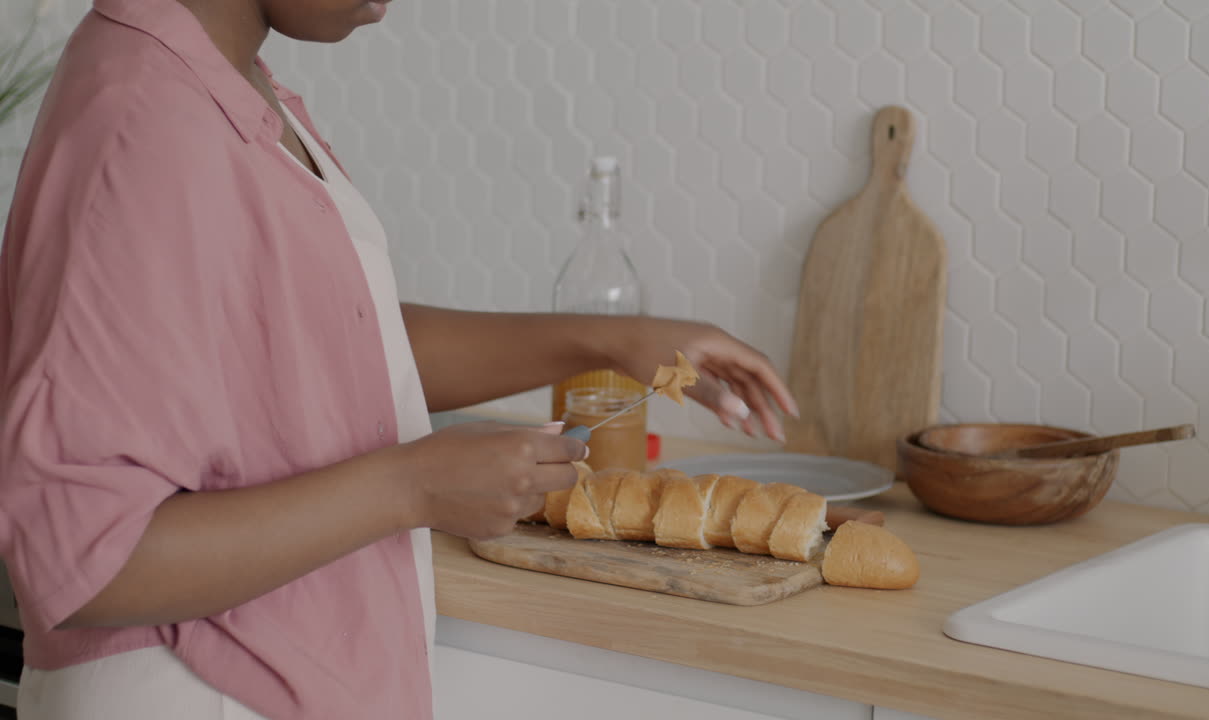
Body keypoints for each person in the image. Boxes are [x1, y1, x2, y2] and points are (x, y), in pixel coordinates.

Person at [0, 1, 799, 718]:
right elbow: (90, 559)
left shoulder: (226, 83)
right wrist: (411, 484)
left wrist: (610, 340)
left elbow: (334, 340)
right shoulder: (144, 122)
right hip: (191, 691)